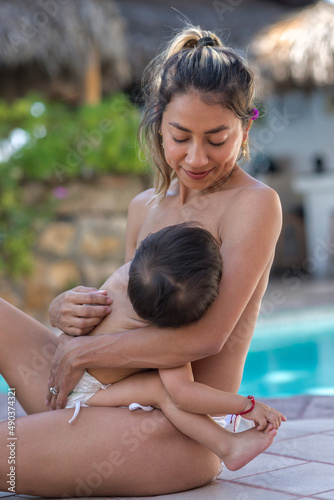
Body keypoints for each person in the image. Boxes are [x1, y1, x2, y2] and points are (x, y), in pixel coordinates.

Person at [0, 25, 283, 497]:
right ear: (158, 123)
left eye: (217, 138)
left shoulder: (254, 204)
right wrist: (64, 312)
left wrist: (85, 351)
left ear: (245, 127)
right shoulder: (144, 207)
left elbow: (206, 337)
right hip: (96, 393)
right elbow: (139, 316)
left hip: (173, 428)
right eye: (180, 136)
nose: (197, 157)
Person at [64, 222, 285, 474]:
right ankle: (228, 447)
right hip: (83, 397)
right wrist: (246, 405)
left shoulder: (122, 280)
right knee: (163, 390)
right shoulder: (164, 336)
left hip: (78, 381)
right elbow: (184, 394)